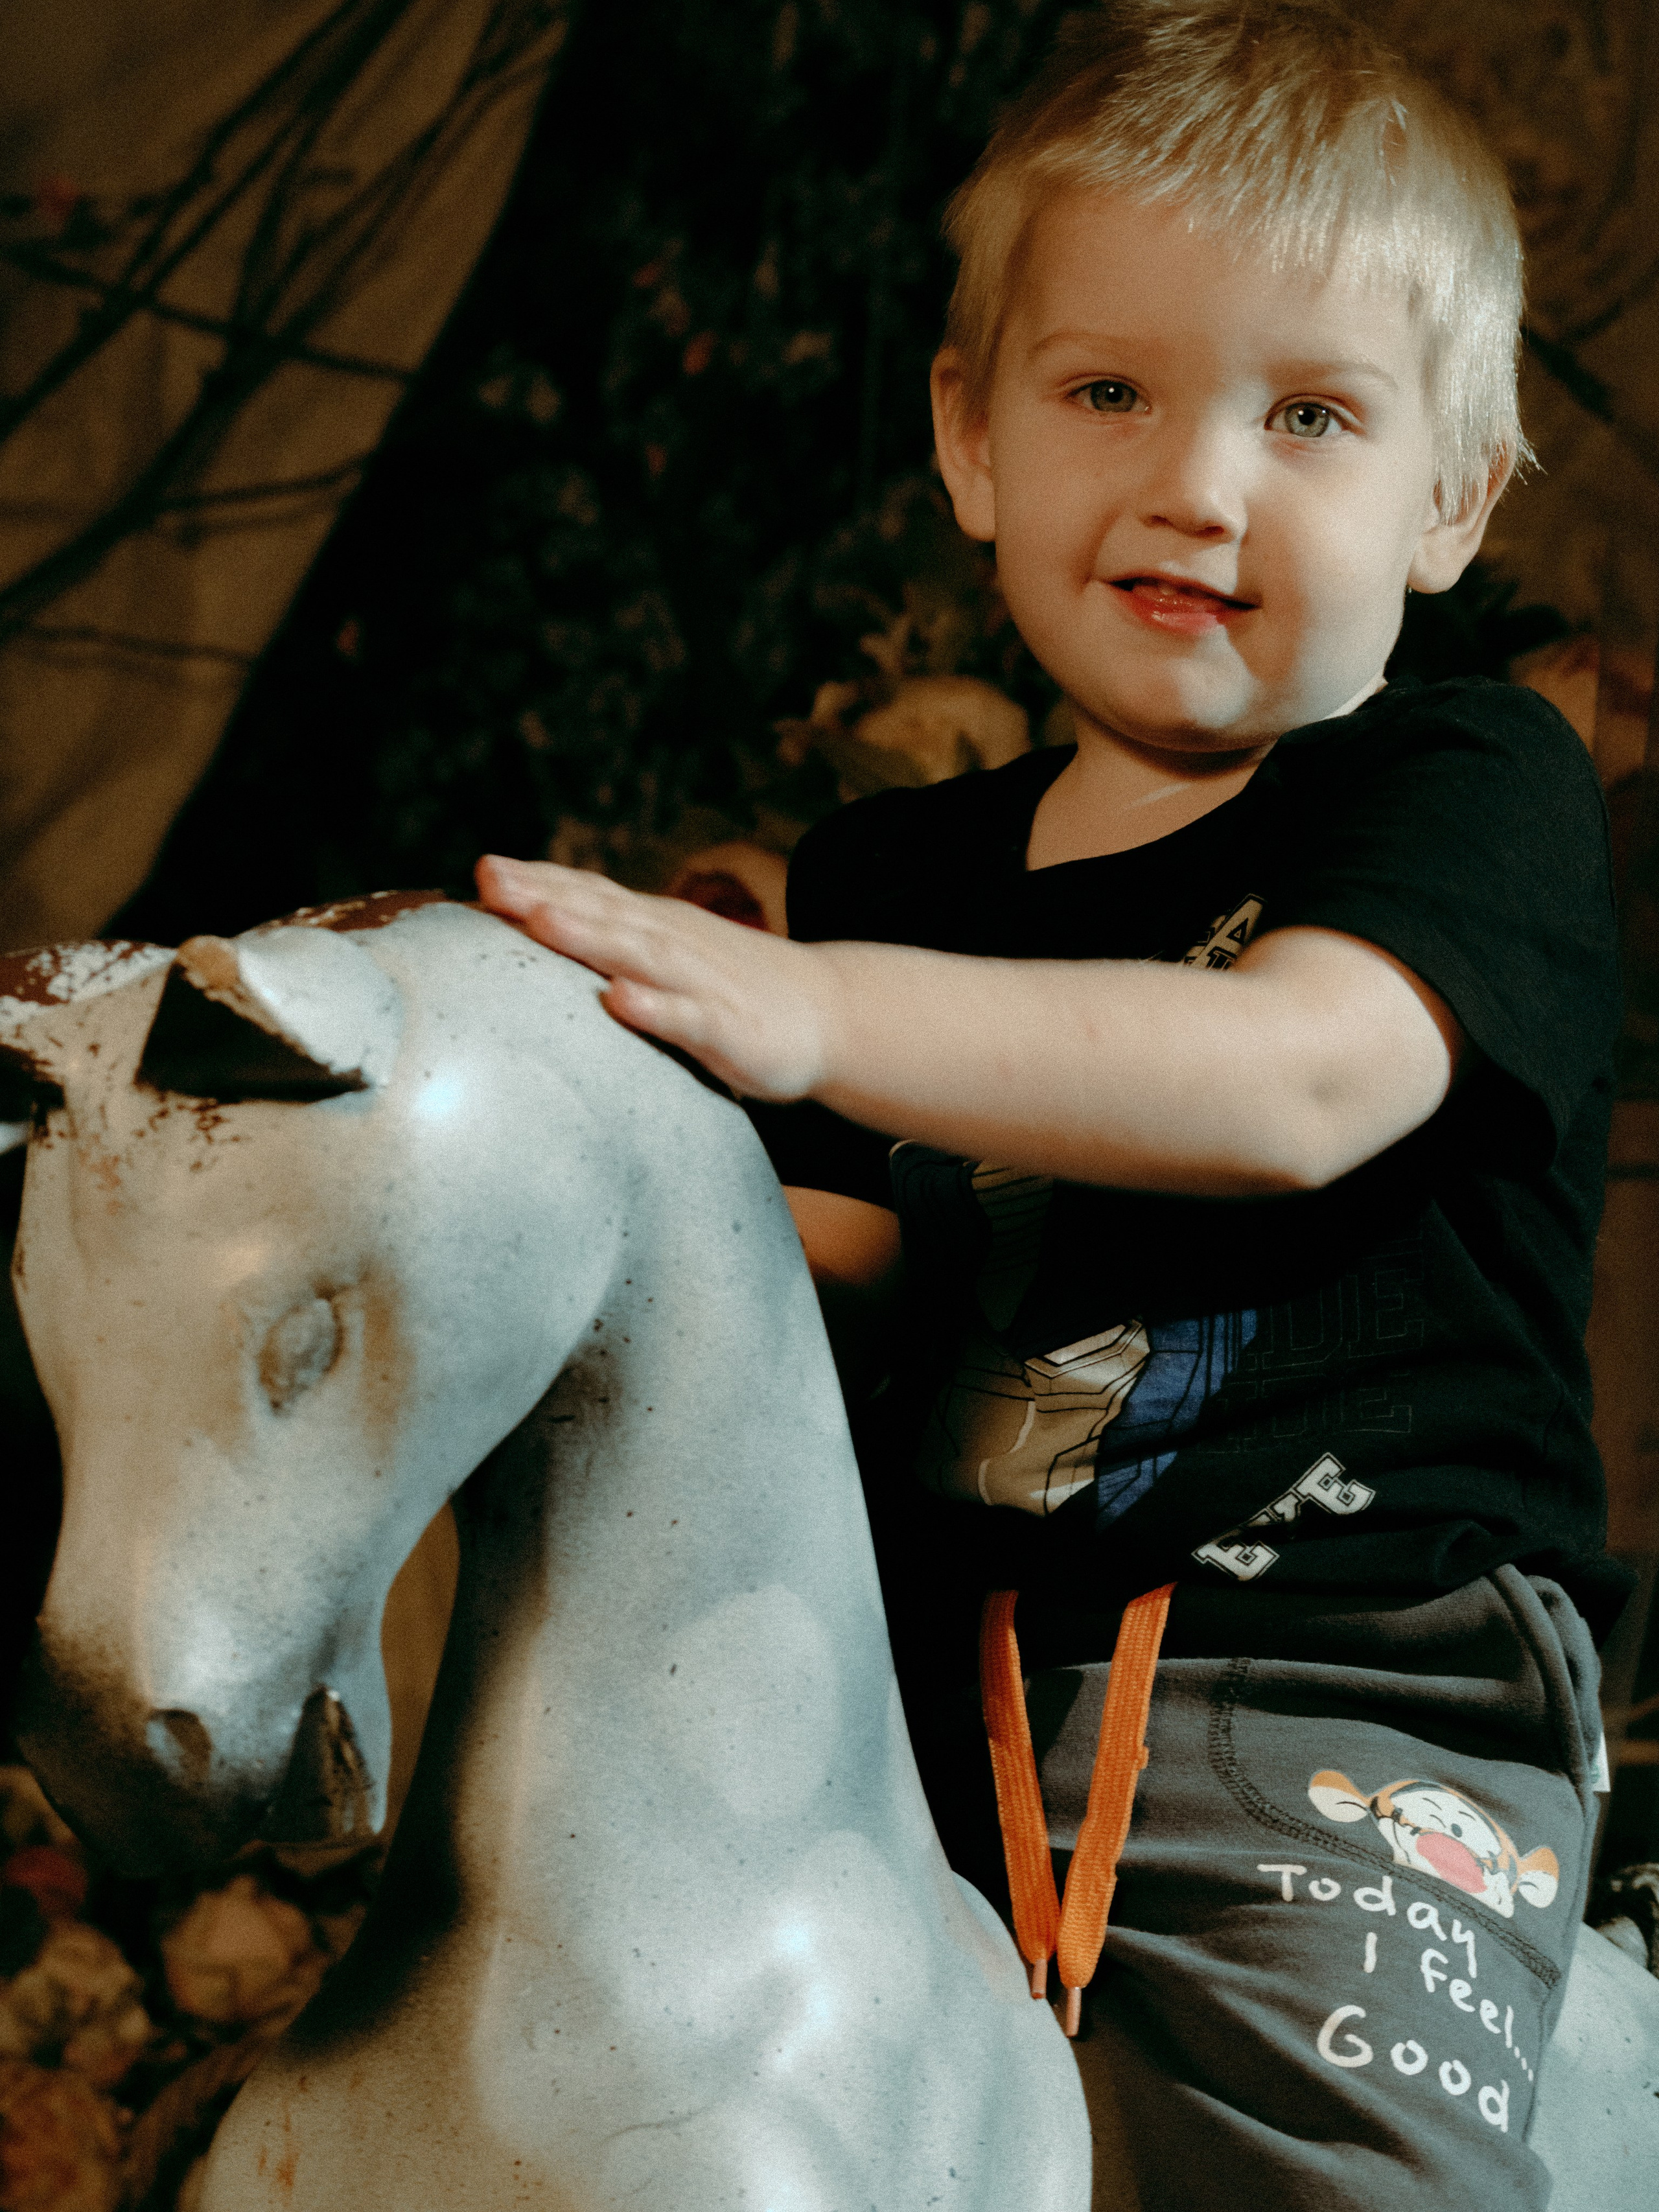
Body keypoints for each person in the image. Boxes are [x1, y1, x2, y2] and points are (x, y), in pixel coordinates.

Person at [476, 5, 1623, 2203]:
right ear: (975, 439)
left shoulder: (1463, 788)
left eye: (1310, 414)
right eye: (1111, 390)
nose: (1201, 478)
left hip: (1341, 1698)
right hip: (910, 1707)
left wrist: (806, 1015)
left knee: (1329, 2165)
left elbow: (1297, 1079)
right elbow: (817, 1276)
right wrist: (551, 1190)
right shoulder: (897, 879)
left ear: (1456, 498)